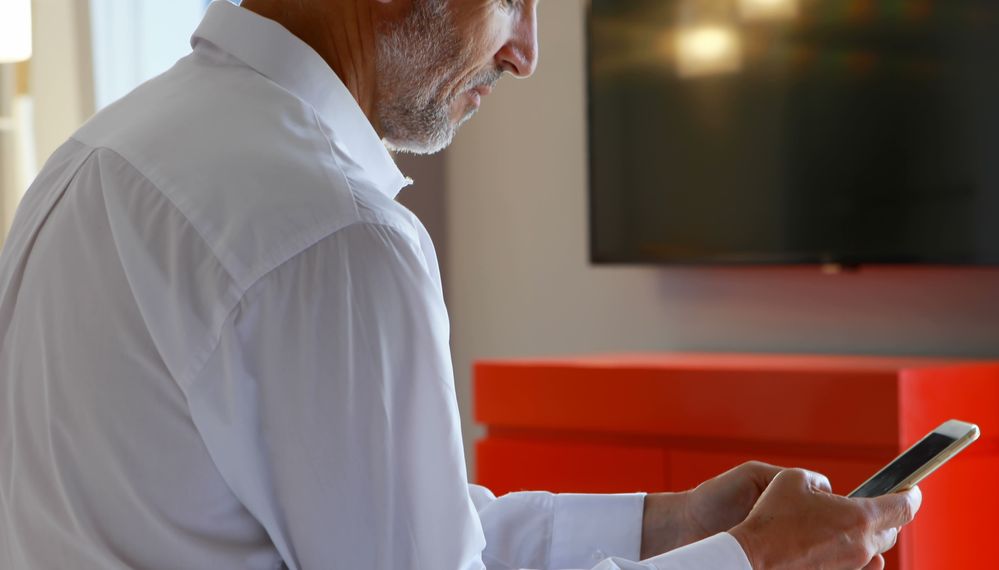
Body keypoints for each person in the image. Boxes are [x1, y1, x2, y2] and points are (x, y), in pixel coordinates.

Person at [0, 0, 921, 568]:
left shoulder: (100, 155)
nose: (525, 52)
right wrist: (749, 563)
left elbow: (387, 532)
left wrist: (675, 524)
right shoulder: (338, 235)